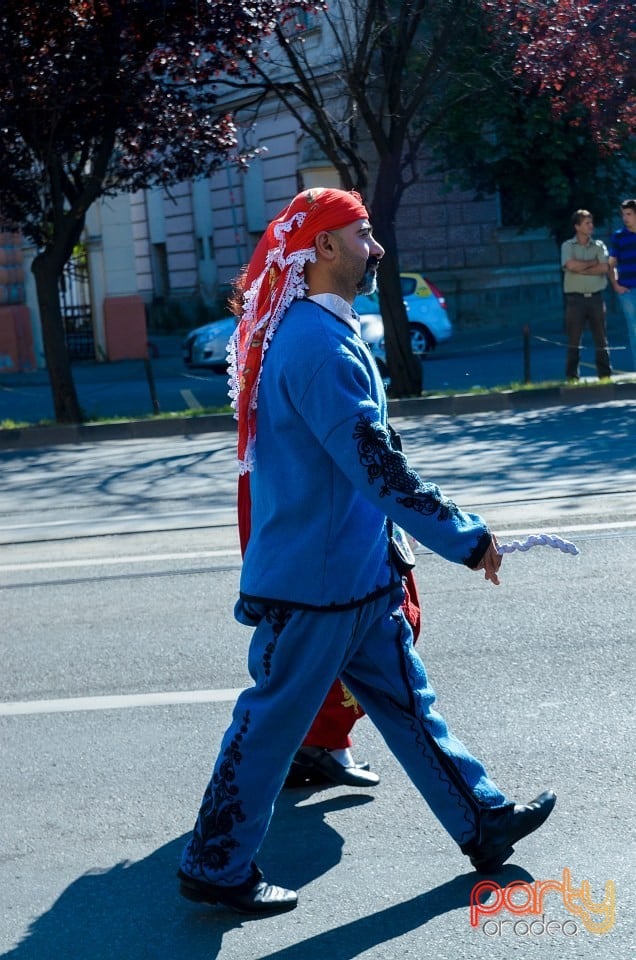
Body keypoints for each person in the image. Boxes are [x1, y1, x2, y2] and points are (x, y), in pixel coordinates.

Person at [178, 187, 556, 915]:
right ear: (321, 248)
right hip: (316, 587)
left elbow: (364, 467)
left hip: (353, 577)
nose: (375, 247)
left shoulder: (323, 330)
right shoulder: (316, 345)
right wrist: (466, 536)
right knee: (270, 726)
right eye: (362, 233)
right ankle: (214, 863)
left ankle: (481, 818)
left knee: (411, 707)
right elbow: (376, 463)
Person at [561, 209, 612, 381]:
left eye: (591, 222)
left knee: (601, 339)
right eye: (587, 223)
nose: (591, 226)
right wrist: (592, 263)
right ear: (577, 226)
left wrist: (580, 268)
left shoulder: (599, 245)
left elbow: (605, 268)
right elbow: (570, 266)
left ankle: (605, 375)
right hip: (576, 300)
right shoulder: (567, 246)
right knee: (574, 340)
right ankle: (572, 377)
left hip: (596, 298)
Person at [608, 198, 636, 371]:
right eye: (623, 214)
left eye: (629, 214)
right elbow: (611, 263)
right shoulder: (619, 236)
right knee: (634, 330)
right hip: (628, 291)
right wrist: (615, 285)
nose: (625, 218)